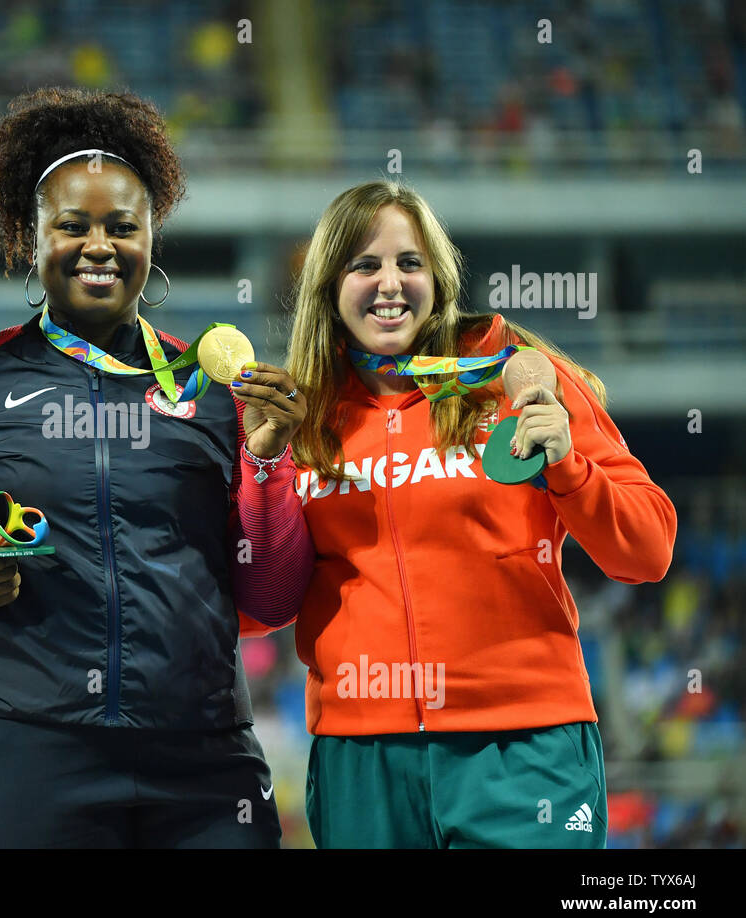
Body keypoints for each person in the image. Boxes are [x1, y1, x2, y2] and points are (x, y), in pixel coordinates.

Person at [0, 87, 306, 848]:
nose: (99, 245)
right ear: (28, 233)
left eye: (123, 225)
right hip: (13, 743)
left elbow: (270, 599)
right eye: (71, 226)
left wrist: (268, 463)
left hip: (200, 750)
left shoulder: (213, 393)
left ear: (152, 235)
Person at [245, 180, 677, 848]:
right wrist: (262, 468)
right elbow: (255, 607)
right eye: (365, 265)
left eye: (409, 263)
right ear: (329, 287)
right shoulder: (302, 420)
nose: (390, 283)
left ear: (438, 279)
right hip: (364, 758)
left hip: (524, 746)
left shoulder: (518, 383)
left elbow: (646, 551)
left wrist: (569, 466)